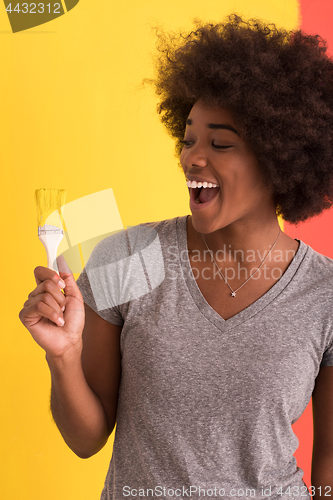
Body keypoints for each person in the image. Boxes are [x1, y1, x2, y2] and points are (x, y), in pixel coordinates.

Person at [19, 14, 333, 500]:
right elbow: (86, 439)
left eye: (220, 143)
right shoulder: (129, 257)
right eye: (188, 140)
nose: (191, 158)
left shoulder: (323, 293)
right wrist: (64, 357)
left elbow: (330, 461)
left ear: (281, 157)